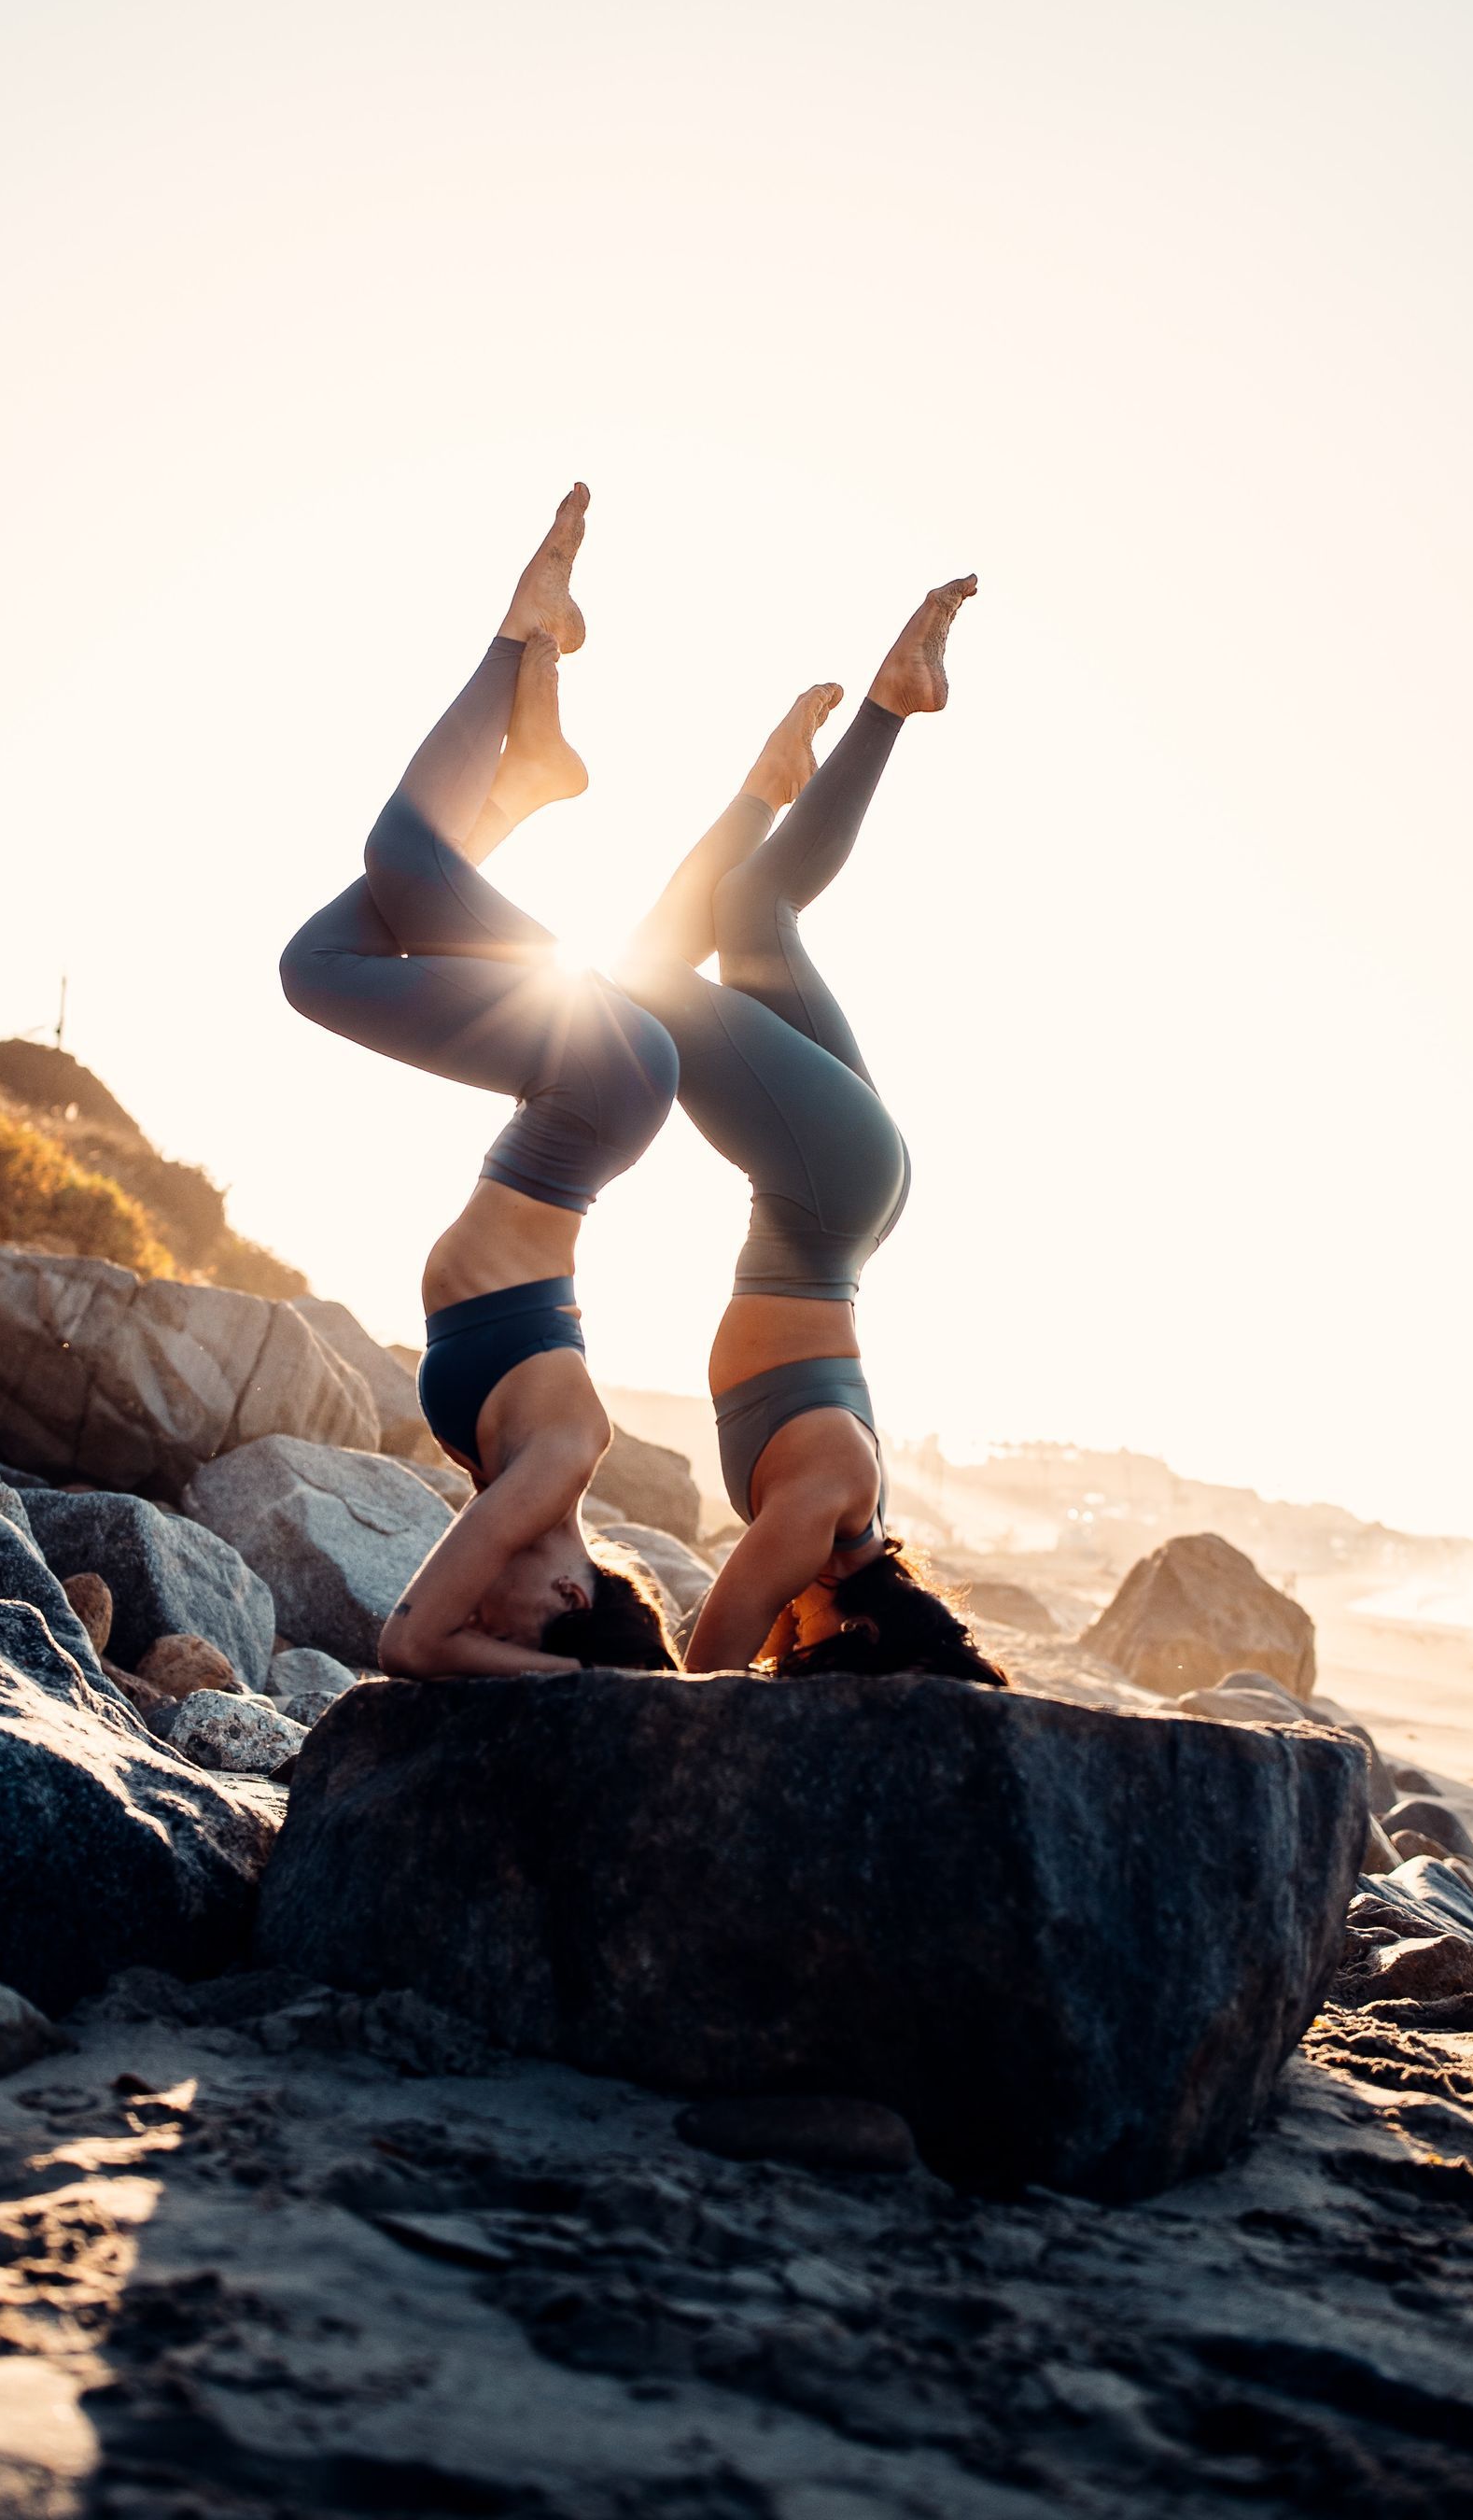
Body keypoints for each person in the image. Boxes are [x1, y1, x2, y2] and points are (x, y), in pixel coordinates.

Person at [280, 486, 679, 1678]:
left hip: (573, 1101)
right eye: (521, 1624)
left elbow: (443, 1631)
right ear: (572, 1587)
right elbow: (414, 1642)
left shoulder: (523, 1477)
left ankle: (523, 781)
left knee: (321, 963)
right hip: (596, 1085)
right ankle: (522, 631)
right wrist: (581, 1687)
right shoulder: (556, 1470)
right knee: (398, 859)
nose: (484, 1617)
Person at [617, 575, 1004, 1684]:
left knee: (748, 913)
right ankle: (776, 779)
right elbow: (702, 1671)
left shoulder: (848, 1526)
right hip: (825, 1193)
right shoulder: (821, 1522)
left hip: (847, 1201)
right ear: (866, 1635)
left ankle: (885, 706)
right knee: (637, 982)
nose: (798, 1642)